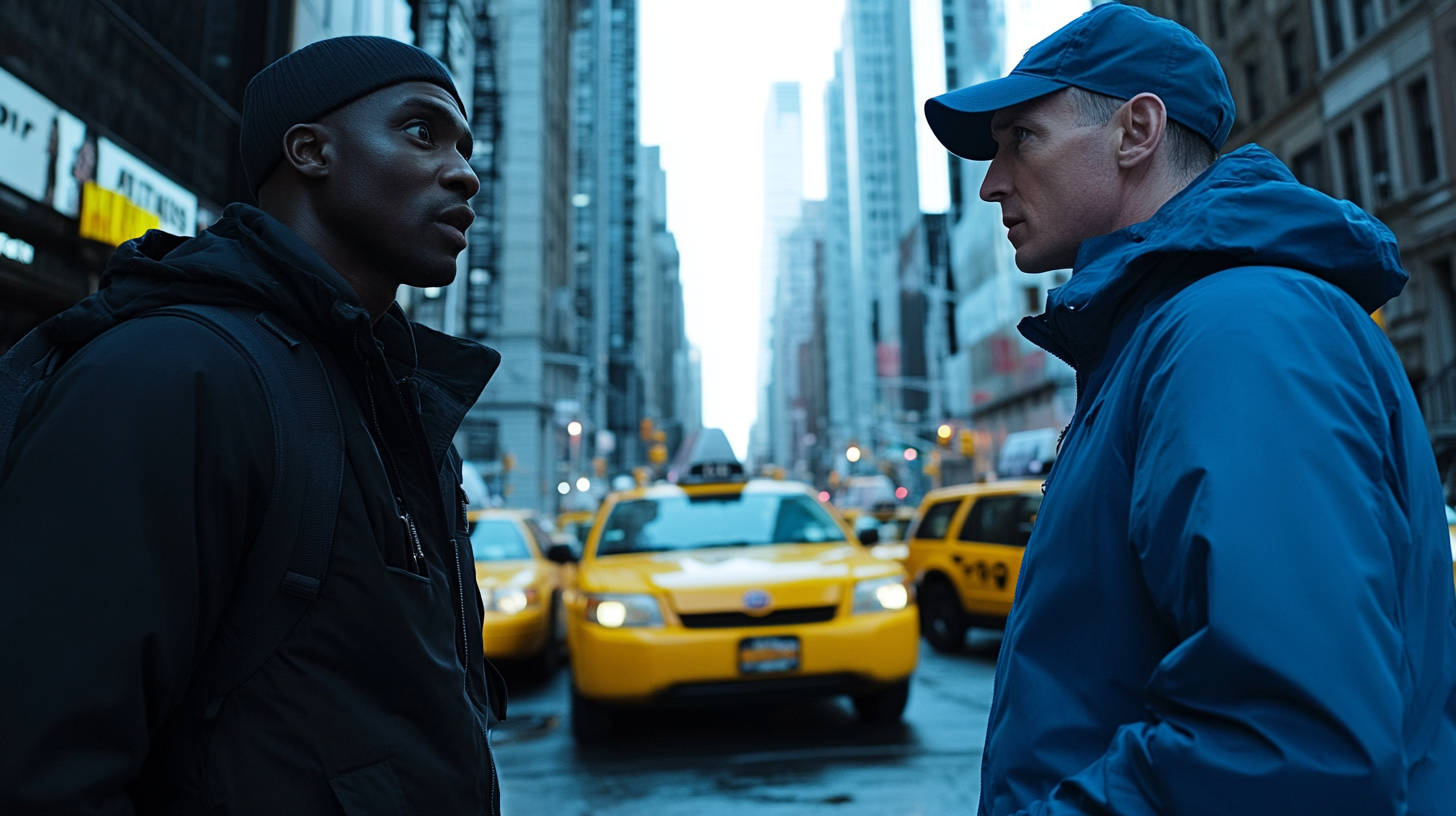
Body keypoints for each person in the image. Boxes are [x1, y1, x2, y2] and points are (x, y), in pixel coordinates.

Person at [925, 5, 1456, 815]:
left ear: (1137, 130)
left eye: (1020, 138)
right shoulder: (1170, 335)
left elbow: (1290, 750)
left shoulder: (1238, 333)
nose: (994, 179)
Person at [0, 37, 506, 814]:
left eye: (466, 148)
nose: (464, 172)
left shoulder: (383, 395)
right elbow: (42, 761)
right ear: (309, 151)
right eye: (421, 131)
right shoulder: (172, 372)